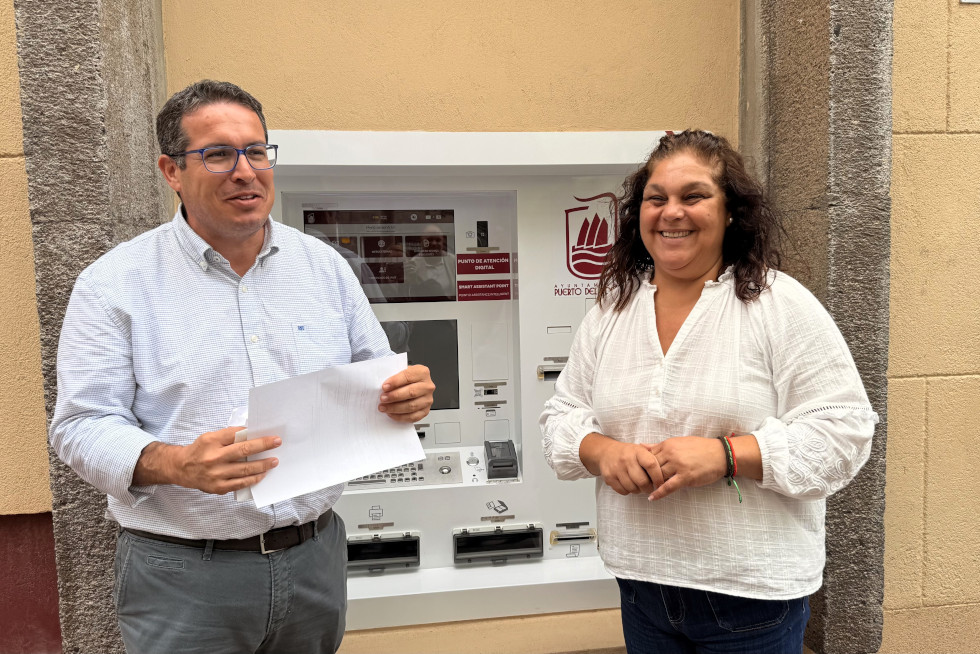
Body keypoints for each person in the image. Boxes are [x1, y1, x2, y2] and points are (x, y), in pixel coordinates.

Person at [49, 80, 435, 654]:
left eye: (256, 151)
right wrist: (176, 463)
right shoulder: (114, 284)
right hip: (184, 575)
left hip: (314, 558)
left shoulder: (324, 266)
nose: (245, 171)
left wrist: (406, 395)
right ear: (172, 170)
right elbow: (80, 426)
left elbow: (376, 376)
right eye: (218, 155)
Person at [539, 130, 877, 654]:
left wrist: (727, 456)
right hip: (642, 584)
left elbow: (845, 430)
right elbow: (562, 414)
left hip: (751, 596)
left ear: (731, 213)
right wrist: (600, 451)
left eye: (693, 195)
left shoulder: (778, 304)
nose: (671, 212)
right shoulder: (612, 309)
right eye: (656, 198)